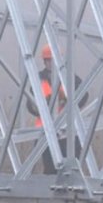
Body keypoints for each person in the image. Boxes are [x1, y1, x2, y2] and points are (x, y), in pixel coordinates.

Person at [26, 44, 88, 174]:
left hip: (67, 132)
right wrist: (44, 106)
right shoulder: (39, 79)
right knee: (50, 169)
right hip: (46, 132)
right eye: (48, 60)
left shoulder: (69, 77)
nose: (50, 63)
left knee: (72, 168)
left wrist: (67, 100)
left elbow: (83, 95)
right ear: (44, 61)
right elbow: (30, 105)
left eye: (53, 60)